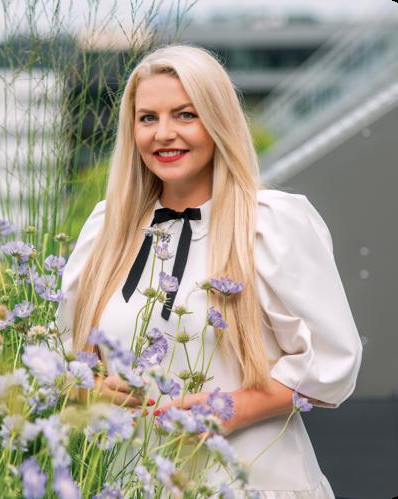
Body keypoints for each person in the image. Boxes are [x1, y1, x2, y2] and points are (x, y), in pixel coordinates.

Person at [56, 44, 363, 497]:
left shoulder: (270, 223)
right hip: (134, 483)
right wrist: (94, 390)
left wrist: (236, 407)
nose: (163, 134)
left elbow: (333, 362)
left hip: (254, 483)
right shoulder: (108, 227)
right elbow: (62, 361)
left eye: (185, 115)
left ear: (217, 120)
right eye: (148, 118)